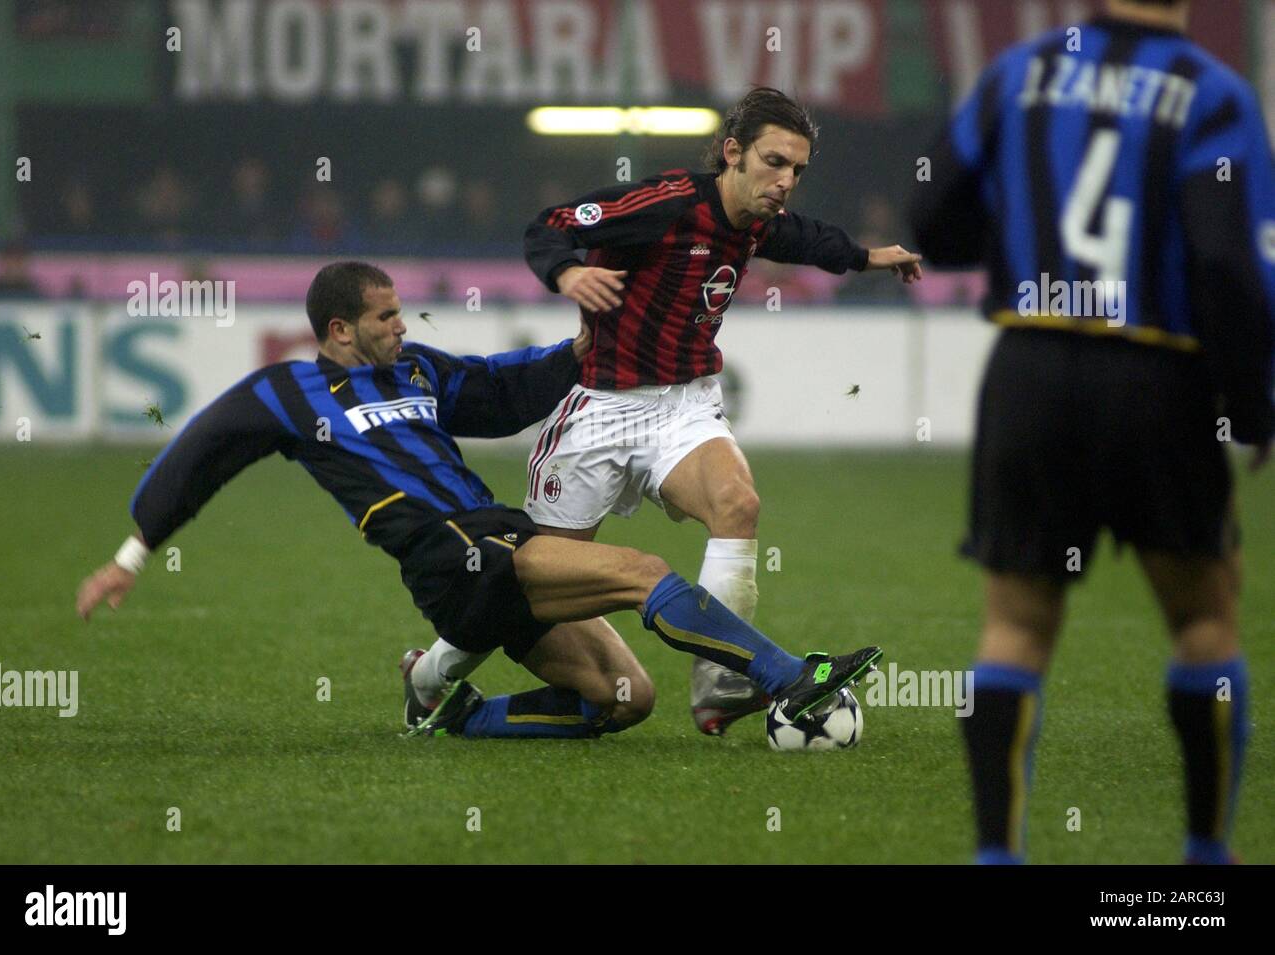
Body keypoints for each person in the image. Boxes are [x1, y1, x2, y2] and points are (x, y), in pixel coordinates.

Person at [75, 261, 882, 739]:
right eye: (385, 317)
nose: (401, 325)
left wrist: (578, 351)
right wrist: (130, 555)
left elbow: (496, 392)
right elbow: (197, 456)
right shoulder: (284, 392)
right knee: (642, 569)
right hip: (449, 554)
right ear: (339, 330)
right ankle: (790, 677)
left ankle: (453, 713)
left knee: (628, 700)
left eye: (399, 313)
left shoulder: (416, 369)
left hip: (495, 541)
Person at [411, 87, 921, 738]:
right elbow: (551, 225)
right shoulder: (668, 202)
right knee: (533, 593)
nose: (786, 181)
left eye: (798, 170)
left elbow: (804, 238)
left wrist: (868, 258)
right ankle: (430, 678)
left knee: (737, 503)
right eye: (774, 162)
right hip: (598, 410)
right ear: (732, 154)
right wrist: (566, 274)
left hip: (682, 406)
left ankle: (720, 686)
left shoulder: (760, 218)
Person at [909, 0, 1273, 863]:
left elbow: (934, 215)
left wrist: (1018, 242)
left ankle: (997, 854)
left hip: (1030, 371)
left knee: (1017, 624)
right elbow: (1227, 261)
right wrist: (1253, 400)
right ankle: (1204, 865)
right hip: (1159, 376)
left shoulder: (1019, 72)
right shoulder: (1213, 93)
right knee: (1204, 615)